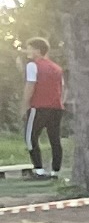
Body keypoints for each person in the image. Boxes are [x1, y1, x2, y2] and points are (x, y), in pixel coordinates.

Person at [18, 39, 59, 177]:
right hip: (56, 107)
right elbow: (63, 88)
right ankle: (55, 171)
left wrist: (24, 106)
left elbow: (30, 85)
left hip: (39, 106)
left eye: (29, 48)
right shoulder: (56, 68)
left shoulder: (32, 65)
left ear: (37, 50)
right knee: (55, 139)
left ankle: (39, 170)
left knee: (31, 137)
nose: (27, 51)